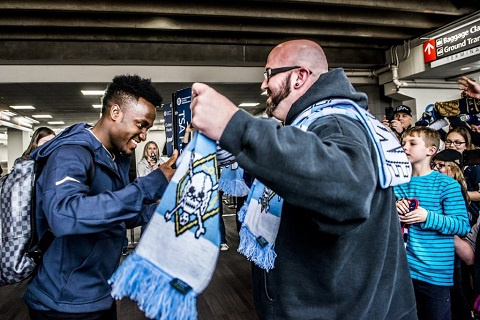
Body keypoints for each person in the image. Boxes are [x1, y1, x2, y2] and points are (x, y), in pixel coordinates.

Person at [190, 39, 417, 319]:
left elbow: (346, 191)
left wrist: (235, 125)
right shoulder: (319, 122)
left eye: (268, 74)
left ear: (299, 76)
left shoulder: (334, 122)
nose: (263, 85)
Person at [23, 74, 178, 320]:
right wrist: (151, 184)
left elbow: (117, 215)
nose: (144, 135)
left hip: (100, 293)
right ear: (115, 112)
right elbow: (63, 214)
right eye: (141, 125)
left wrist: (164, 208)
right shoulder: (71, 152)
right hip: (63, 305)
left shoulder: (114, 157)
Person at [394, 126, 470, 320]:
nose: (405, 147)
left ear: (431, 150)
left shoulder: (448, 185)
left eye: (412, 143)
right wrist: (393, 208)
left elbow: (461, 225)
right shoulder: (396, 182)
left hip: (434, 272)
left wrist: (427, 217)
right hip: (401, 270)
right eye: (403, 143)